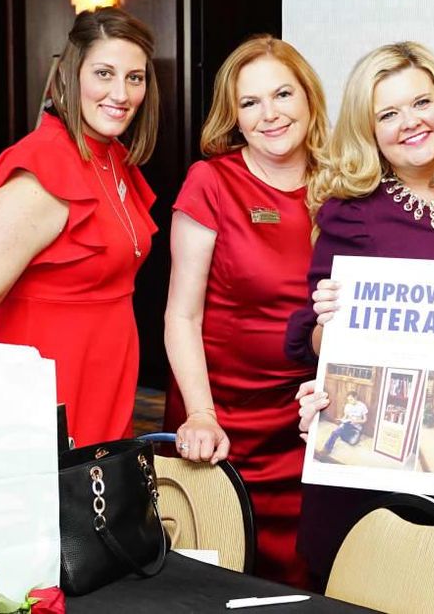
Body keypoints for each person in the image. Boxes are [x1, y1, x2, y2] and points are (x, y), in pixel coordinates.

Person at [285, 40, 434, 588]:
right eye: (388, 113)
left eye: (421, 103)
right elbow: (311, 338)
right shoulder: (352, 211)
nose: (410, 123)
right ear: (370, 130)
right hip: (382, 462)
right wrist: (328, 328)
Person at [0, 7, 159, 446]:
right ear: (71, 74)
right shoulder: (44, 167)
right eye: (104, 73)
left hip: (105, 390)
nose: (120, 93)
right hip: (42, 402)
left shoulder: (111, 158)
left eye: (134, 78)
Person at [163, 35, 327, 588]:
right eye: (250, 102)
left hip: (310, 426)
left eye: (282, 94)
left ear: (309, 98)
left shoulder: (343, 184)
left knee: (307, 583)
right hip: (224, 425)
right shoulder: (212, 182)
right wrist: (202, 412)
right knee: (217, 580)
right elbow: (181, 316)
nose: (270, 114)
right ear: (234, 115)